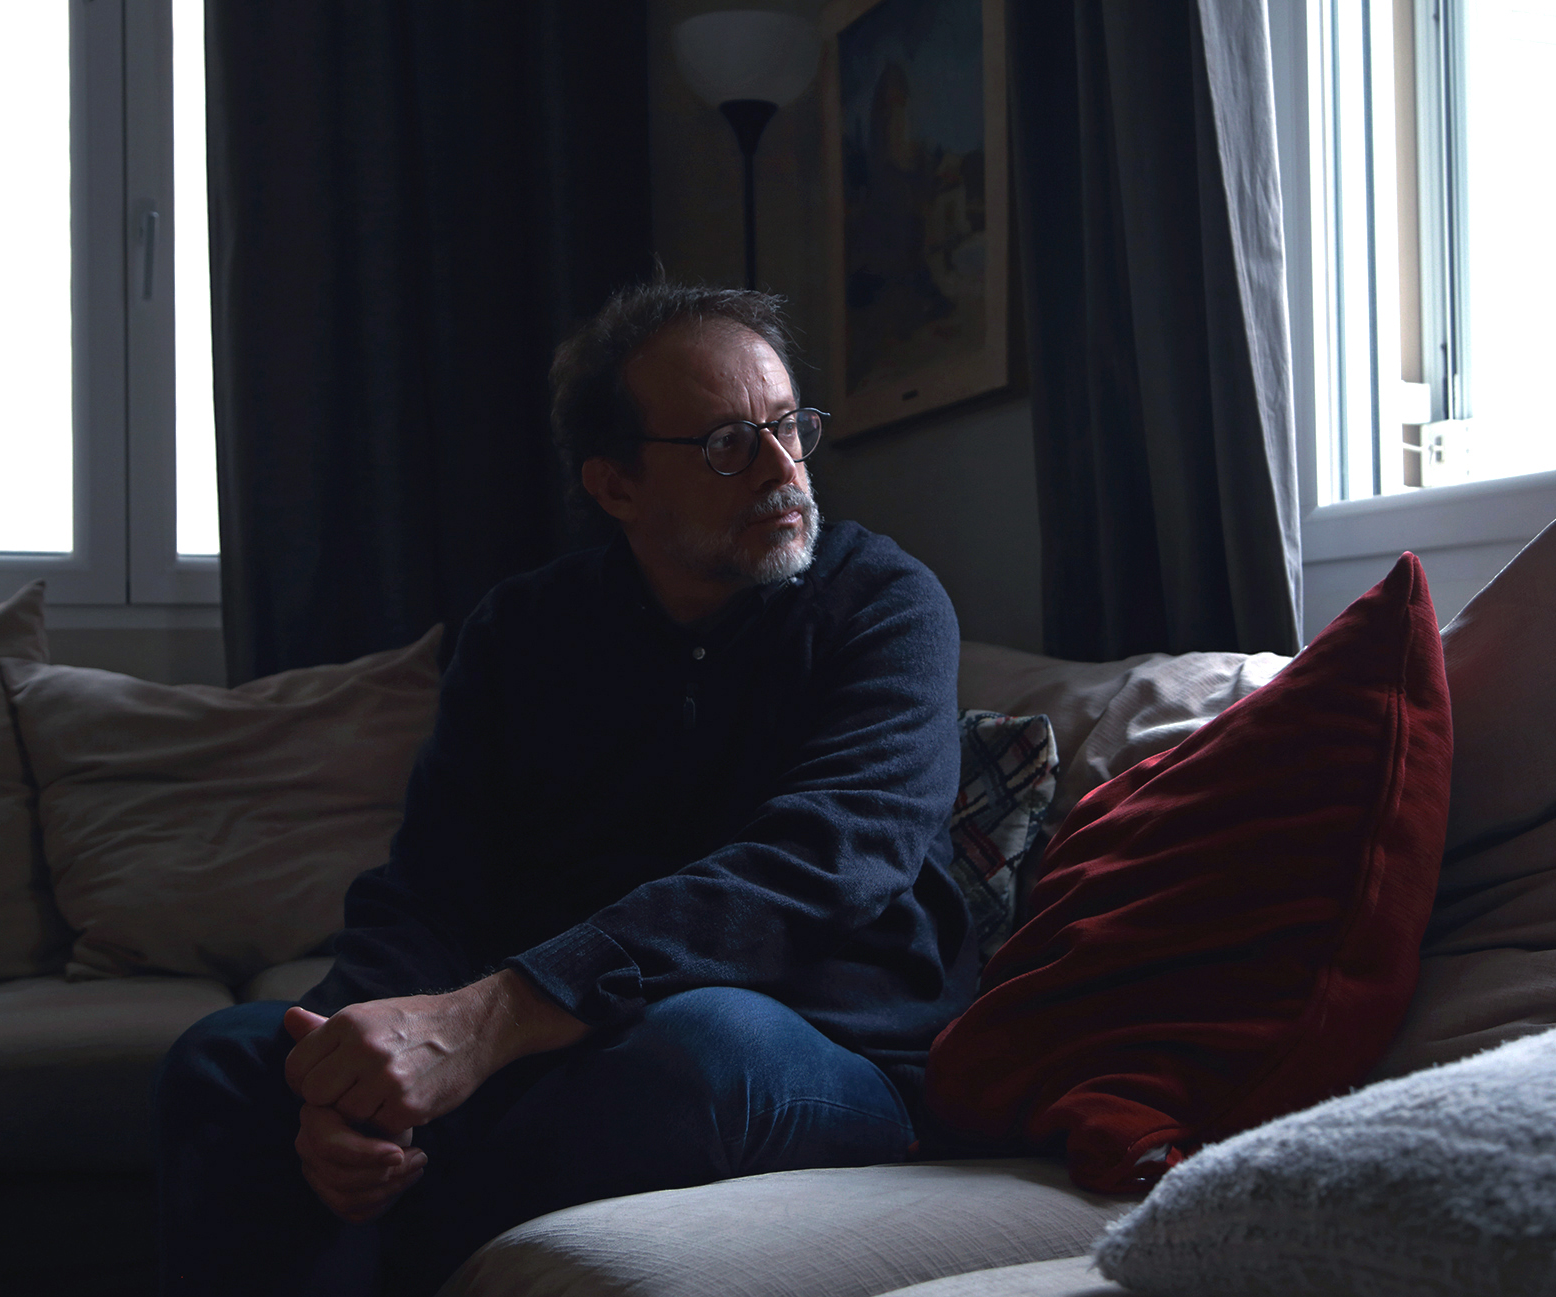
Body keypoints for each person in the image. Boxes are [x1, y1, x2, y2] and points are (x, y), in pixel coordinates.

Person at [152, 283, 978, 1296]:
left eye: (789, 425)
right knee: (234, 1057)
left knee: (698, 1046)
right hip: (561, 1042)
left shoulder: (886, 604)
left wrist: (495, 1019)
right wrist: (346, 1071)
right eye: (728, 444)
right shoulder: (524, 633)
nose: (783, 469)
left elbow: (829, 859)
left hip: (822, 1048)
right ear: (616, 486)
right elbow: (432, 884)